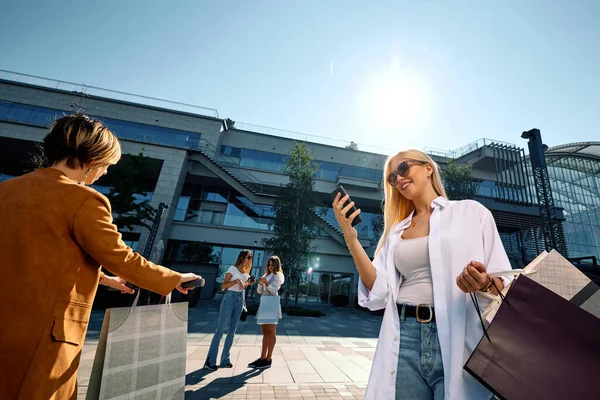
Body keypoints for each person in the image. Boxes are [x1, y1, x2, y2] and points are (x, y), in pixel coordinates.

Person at [0, 114, 201, 400]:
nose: (105, 172)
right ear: (91, 158)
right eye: (106, 164)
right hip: (45, 336)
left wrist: (106, 280)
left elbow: (35, 254)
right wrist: (174, 278)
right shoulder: (84, 200)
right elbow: (121, 256)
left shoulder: (6, 191)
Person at [332, 149, 512, 400]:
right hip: (405, 339)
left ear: (428, 168)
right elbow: (379, 292)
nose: (399, 178)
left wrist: (484, 282)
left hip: (460, 338)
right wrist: (351, 238)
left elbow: (504, 281)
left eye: (404, 168)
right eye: (393, 177)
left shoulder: (472, 213)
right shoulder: (396, 232)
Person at [204, 249, 256, 370]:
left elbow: (242, 287)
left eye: (251, 258)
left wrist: (248, 283)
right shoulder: (232, 269)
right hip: (230, 298)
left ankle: (225, 360)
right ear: (242, 257)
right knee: (220, 330)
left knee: (232, 332)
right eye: (249, 257)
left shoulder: (246, 271)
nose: (250, 260)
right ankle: (210, 361)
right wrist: (235, 281)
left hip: (240, 299)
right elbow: (223, 285)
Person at [248, 255, 285, 369]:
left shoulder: (278, 276)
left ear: (276, 265)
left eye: (272, 264)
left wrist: (267, 283)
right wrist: (260, 283)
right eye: (269, 264)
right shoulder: (266, 275)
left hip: (272, 302)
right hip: (264, 301)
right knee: (265, 332)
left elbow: (274, 291)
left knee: (271, 331)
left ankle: (269, 359)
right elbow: (260, 291)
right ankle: (262, 357)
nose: (270, 266)